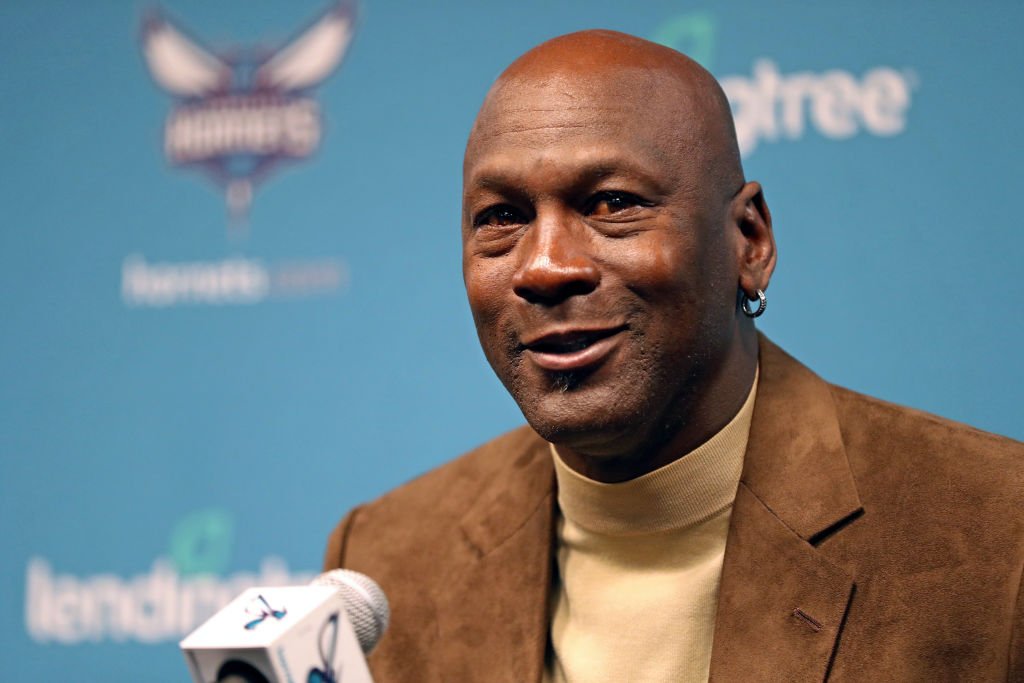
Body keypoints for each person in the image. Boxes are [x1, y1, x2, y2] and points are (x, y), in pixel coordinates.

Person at [324, 30, 1023, 681]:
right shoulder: (386, 559)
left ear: (748, 241)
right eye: (502, 216)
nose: (542, 266)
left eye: (612, 202)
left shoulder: (997, 530)